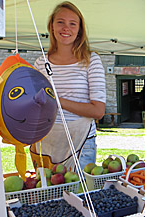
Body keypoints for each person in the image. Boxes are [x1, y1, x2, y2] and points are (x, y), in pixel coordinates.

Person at [34, 1, 106, 170]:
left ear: (79, 29)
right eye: (60, 22)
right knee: (48, 195)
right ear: (51, 26)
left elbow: (98, 111)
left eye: (72, 24)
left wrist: (57, 100)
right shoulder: (40, 63)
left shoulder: (91, 60)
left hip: (81, 143)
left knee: (79, 195)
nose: (66, 28)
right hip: (47, 142)